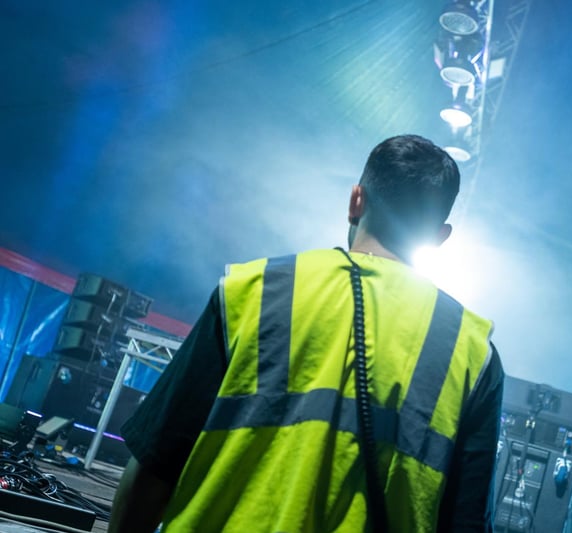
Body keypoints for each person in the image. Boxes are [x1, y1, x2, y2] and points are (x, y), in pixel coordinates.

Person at [109, 134, 504, 532]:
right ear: (440, 238)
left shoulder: (251, 290)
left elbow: (154, 466)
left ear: (356, 201)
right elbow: (465, 522)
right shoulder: (471, 350)